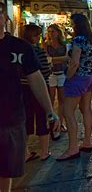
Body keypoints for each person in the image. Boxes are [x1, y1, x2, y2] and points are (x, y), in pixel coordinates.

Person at [0, 2, 59, 191]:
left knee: (5, 171)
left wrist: (50, 110)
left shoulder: (20, 48)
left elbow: (36, 78)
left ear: (5, 18)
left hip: (10, 119)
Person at [58, 14, 92, 161]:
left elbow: (74, 62)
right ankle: (87, 142)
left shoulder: (78, 40)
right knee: (86, 109)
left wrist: (68, 76)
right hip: (91, 77)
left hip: (78, 78)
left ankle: (72, 148)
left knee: (68, 112)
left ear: (77, 25)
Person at [21, 25, 52, 162]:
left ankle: (25, 152)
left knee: (25, 121)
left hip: (22, 90)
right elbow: (45, 71)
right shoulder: (36, 51)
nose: (39, 37)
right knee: (42, 119)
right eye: (37, 35)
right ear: (33, 36)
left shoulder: (18, 51)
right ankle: (44, 152)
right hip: (38, 88)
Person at [45, 24, 68, 139]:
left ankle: (60, 123)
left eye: (52, 31)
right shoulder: (46, 45)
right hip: (51, 74)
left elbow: (67, 58)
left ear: (58, 32)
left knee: (62, 100)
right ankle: (52, 123)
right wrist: (60, 59)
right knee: (51, 100)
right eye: (49, 31)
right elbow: (47, 59)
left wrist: (53, 59)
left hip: (62, 74)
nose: (50, 34)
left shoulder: (64, 45)